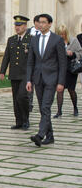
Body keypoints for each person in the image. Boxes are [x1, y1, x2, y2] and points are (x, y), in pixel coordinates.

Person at [26, 14, 67, 147]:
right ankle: (50, 136)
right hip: (38, 78)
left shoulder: (57, 40)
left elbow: (62, 63)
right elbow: (30, 62)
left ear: (50, 24)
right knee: (43, 108)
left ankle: (40, 135)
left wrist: (61, 82)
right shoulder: (34, 39)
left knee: (45, 106)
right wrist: (28, 80)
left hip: (52, 78)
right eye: (39, 22)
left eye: (44, 23)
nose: (41, 25)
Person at [0, 15, 32, 130]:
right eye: (16, 25)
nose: (17, 28)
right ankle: (18, 121)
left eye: (19, 25)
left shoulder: (31, 39)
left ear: (25, 26)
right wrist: (2, 71)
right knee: (15, 99)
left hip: (25, 74)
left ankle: (26, 120)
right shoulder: (11, 40)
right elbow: (6, 56)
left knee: (22, 97)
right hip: (14, 74)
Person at [53, 24, 82, 118]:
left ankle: (75, 107)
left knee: (71, 90)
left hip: (71, 70)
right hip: (60, 69)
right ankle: (59, 111)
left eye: (63, 34)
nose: (62, 36)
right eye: (60, 34)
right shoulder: (55, 42)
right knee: (59, 90)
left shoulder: (73, 41)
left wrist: (72, 54)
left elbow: (80, 52)